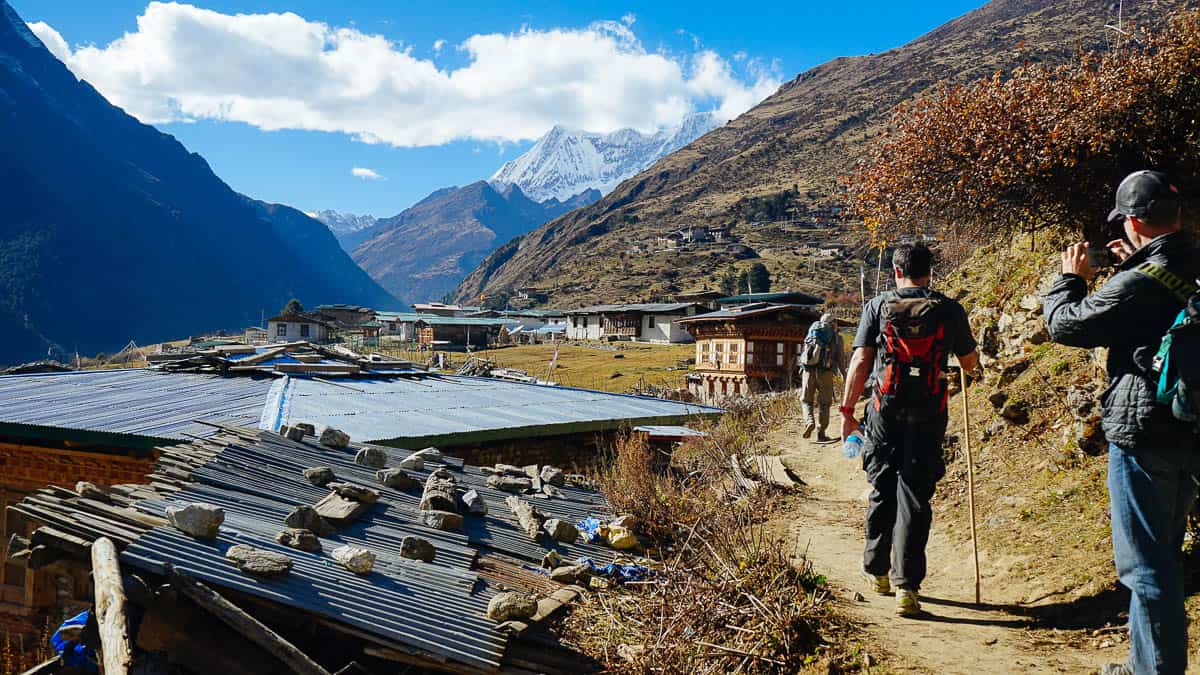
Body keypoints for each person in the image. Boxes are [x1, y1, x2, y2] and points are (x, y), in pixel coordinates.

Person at [1044, 170, 1200, 675]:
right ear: (1176, 215)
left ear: (1133, 220)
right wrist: (1133, 264)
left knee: (1144, 568)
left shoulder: (1136, 283)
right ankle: (1142, 664)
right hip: (1189, 429)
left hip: (1143, 434)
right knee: (1164, 556)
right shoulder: (1188, 265)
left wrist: (1070, 279)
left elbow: (1065, 325)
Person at [839, 242, 979, 617]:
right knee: (915, 496)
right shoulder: (949, 309)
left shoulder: (878, 307)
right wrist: (966, 365)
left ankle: (876, 571)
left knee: (883, 486)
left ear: (896, 271)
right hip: (930, 410)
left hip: (885, 410)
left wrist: (848, 410)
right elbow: (969, 361)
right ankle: (908, 588)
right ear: (929, 271)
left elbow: (861, 361)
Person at [801, 312, 845, 441]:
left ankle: (809, 422)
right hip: (825, 372)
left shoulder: (812, 332)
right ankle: (821, 433)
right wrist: (844, 375)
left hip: (808, 371)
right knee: (824, 404)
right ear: (833, 323)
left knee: (806, 400)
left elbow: (805, 353)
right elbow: (841, 360)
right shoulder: (837, 338)